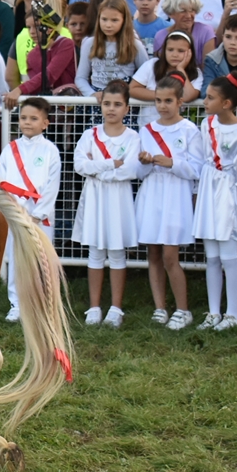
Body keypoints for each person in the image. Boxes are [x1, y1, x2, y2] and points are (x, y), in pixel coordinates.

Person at [136, 74, 205, 331]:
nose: (162, 106)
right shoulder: (147, 130)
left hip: (176, 195)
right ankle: (160, 307)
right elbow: (139, 172)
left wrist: (172, 163)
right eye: (158, 100)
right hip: (152, 193)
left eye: (168, 101)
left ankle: (183, 309)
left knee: (169, 255)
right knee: (153, 252)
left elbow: (197, 168)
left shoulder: (189, 130)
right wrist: (144, 162)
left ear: (179, 102)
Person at [186, 72, 237, 331]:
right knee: (212, 256)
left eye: (211, 97)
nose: (205, 101)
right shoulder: (207, 123)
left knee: (228, 257)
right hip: (208, 188)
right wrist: (198, 191)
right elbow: (204, 158)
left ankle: (232, 314)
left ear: (226, 103)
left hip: (228, 194)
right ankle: (214, 312)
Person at [70, 80, 138, 327]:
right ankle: (94, 307)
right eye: (107, 103)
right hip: (95, 197)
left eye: (117, 104)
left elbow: (130, 170)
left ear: (127, 108)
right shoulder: (90, 135)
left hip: (118, 198)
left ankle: (116, 308)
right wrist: (110, 164)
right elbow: (80, 166)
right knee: (95, 252)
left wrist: (96, 169)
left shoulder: (132, 137)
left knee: (117, 252)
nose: (111, 109)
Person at [0, 96, 60, 321]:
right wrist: (13, 210)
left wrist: (37, 214)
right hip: (16, 214)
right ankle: (17, 303)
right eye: (23, 118)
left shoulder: (51, 150)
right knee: (17, 258)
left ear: (45, 123)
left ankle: (42, 302)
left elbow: (52, 185)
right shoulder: (10, 149)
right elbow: (3, 180)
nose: (27, 122)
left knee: (42, 259)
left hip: (40, 216)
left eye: (34, 118)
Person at [75, 0, 148, 96]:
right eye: (104, 19)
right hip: (97, 98)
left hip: (123, 97)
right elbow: (80, 78)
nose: (108, 25)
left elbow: (146, 75)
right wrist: (92, 94)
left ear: (124, 20)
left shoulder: (134, 45)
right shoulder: (89, 43)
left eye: (114, 20)